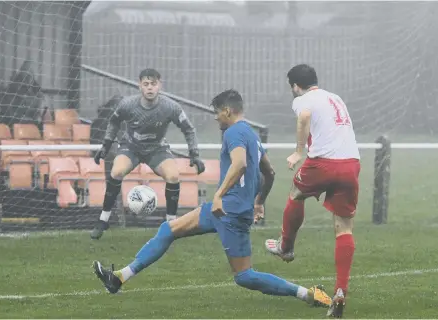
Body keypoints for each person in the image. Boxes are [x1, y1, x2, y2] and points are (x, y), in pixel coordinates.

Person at [92, 89, 332, 310]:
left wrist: (218, 195)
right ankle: (119, 277)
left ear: (227, 111)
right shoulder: (251, 134)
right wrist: (259, 201)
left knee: (245, 276)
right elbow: (269, 172)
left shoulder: (233, 132)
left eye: (217, 112)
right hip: (228, 209)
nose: (216, 118)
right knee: (168, 229)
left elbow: (239, 164)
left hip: (229, 211)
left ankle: (307, 294)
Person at [264, 64, 361, 318]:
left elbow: (305, 116)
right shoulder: (335, 97)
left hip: (324, 163)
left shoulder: (303, 99)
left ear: (295, 86)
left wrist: (298, 151)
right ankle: (339, 293)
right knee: (344, 227)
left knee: (296, 193)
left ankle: (286, 247)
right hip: (351, 163)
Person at [90, 68, 205, 240]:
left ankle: (170, 225)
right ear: (140, 86)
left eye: (153, 84)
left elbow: (188, 129)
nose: (150, 88)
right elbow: (114, 122)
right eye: (146, 84)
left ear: (160, 85)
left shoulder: (170, 107)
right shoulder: (128, 104)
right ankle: (103, 219)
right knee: (116, 172)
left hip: (157, 149)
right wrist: (106, 146)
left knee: (173, 176)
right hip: (131, 147)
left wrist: (194, 154)